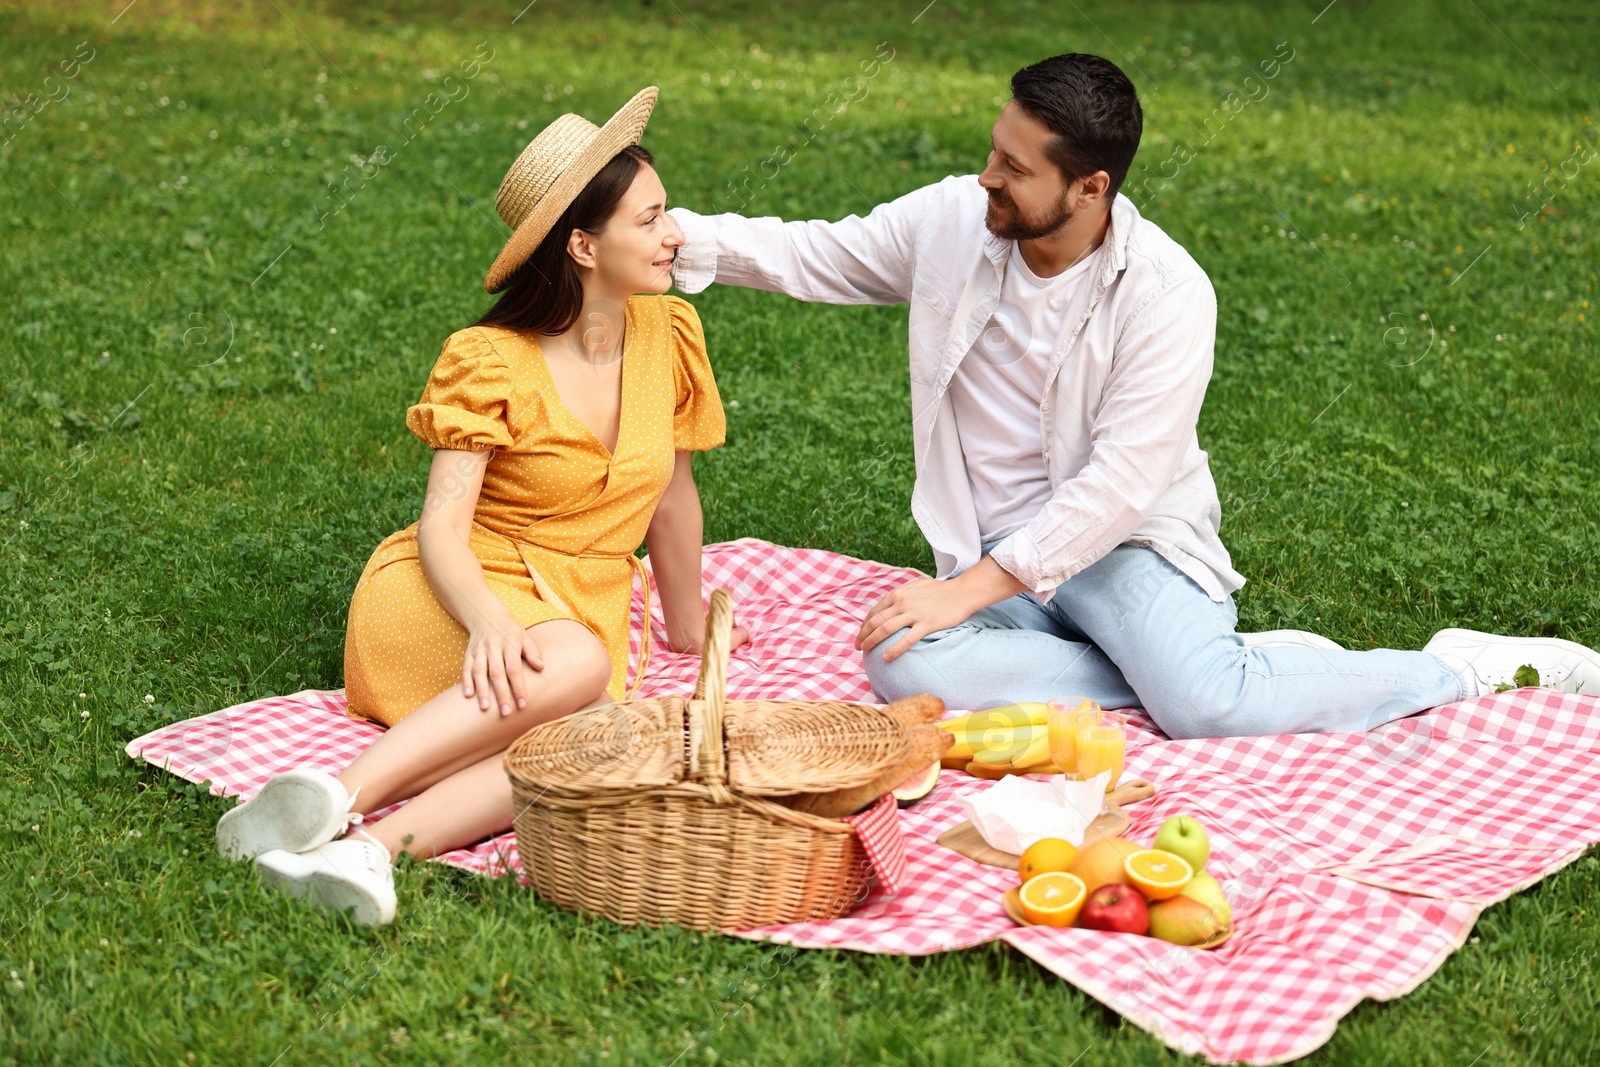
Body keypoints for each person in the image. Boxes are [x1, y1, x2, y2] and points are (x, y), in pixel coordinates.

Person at [667, 53, 1600, 738]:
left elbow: (1118, 487)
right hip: (995, 548)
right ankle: (1194, 665)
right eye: (994, 150)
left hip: (1121, 549)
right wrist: (669, 237)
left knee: (1206, 711)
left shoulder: (1167, 292)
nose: (987, 177)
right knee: (900, 655)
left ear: (1090, 188)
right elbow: (813, 253)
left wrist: (969, 597)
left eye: (1015, 168)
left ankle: (1453, 668)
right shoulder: (954, 219)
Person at [214, 87, 746, 925]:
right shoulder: (489, 360)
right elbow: (441, 528)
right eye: (649, 219)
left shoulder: (670, 334)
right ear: (581, 243)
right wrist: (494, 623)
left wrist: (685, 625)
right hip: (447, 594)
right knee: (575, 666)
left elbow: (674, 499)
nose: (675, 232)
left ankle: (367, 853)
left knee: (604, 739)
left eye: (666, 211)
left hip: (573, 613)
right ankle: (334, 792)